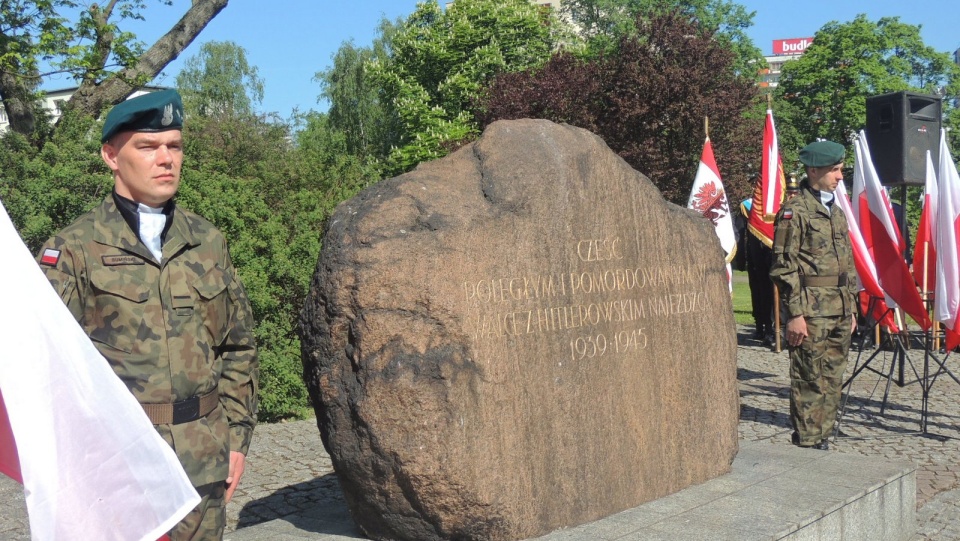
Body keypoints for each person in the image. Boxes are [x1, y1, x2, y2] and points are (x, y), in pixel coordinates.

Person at [36, 89, 259, 540]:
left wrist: (237, 436)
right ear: (111, 156)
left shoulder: (207, 241)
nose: (166, 159)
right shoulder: (76, 248)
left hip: (203, 458)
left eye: (174, 146)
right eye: (148, 146)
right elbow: (47, 368)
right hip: (122, 466)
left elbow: (238, 347)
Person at [769, 140, 857, 451]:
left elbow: (847, 260)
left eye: (840, 169)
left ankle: (823, 435)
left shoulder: (835, 210)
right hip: (811, 310)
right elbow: (783, 266)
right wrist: (795, 314)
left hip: (839, 308)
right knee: (809, 378)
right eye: (834, 170)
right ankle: (807, 441)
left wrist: (852, 307)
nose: (840, 176)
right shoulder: (796, 212)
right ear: (814, 170)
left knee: (833, 378)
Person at [741, 175, 775, 346]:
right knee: (759, 290)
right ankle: (762, 325)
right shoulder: (747, 206)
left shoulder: (778, 204)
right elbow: (742, 234)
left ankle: (775, 326)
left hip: (774, 255)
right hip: (757, 256)